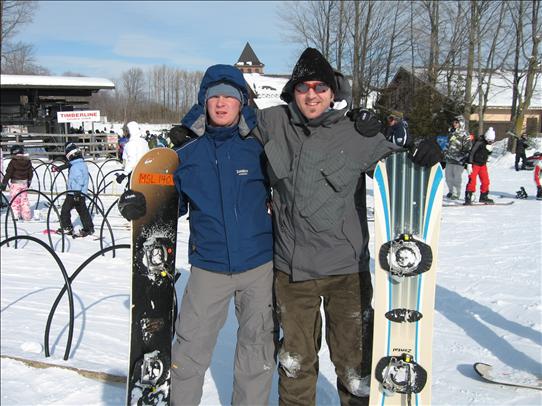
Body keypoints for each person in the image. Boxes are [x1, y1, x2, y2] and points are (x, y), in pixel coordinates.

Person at [251, 47, 441, 406]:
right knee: (295, 363)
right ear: (292, 91)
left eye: (320, 87)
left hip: (346, 273)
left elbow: (398, 165)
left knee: (355, 368)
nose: (312, 95)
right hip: (292, 273)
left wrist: (422, 150)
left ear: (332, 92)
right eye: (304, 87)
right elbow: (226, 120)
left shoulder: (357, 133)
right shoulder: (272, 123)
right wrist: (189, 129)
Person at [119, 64, 275, 406]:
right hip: (209, 267)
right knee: (189, 351)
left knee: (257, 352)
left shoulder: (260, 147)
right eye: (214, 97)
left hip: (259, 266)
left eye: (229, 97)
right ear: (204, 102)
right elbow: (168, 207)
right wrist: (140, 205)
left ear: (241, 103)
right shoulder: (187, 155)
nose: (221, 104)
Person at [56, 143, 94, 236]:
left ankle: (66, 227)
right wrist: (59, 168)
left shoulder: (76, 167)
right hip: (80, 193)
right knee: (82, 211)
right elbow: (69, 165)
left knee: (65, 210)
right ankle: (89, 228)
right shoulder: (80, 163)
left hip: (74, 193)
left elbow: (78, 181)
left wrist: (76, 193)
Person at [0, 145, 33, 221]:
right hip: (24, 183)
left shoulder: (13, 162)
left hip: (15, 184)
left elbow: (8, 173)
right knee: (24, 200)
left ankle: (15, 215)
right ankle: (26, 216)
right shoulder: (27, 161)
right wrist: (29, 181)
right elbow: (30, 172)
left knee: (15, 200)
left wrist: (4, 183)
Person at [465, 127, 496, 205]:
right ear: (486, 138)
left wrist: (489, 151)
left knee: (486, 181)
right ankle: (468, 197)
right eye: (489, 141)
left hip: (483, 165)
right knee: (472, 181)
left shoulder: (489, 144)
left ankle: (484, 196)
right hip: (474, 164)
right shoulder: (479, 142)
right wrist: (469, 163)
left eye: (492, 141)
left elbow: (486, 153)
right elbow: (472, 152)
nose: (490, 142)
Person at [444, 116, 472, 199]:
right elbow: (447, 144)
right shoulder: (451, 133)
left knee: (457, 178)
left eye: (456, 122)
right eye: (454, 122)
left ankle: (456, 193)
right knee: (448, 177)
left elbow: (468, 147)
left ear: (461, 123)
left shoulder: (465, 134)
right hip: (449, 159)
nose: (454, 124)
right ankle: (451, 191)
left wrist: (463, 157)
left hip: (459, 160)